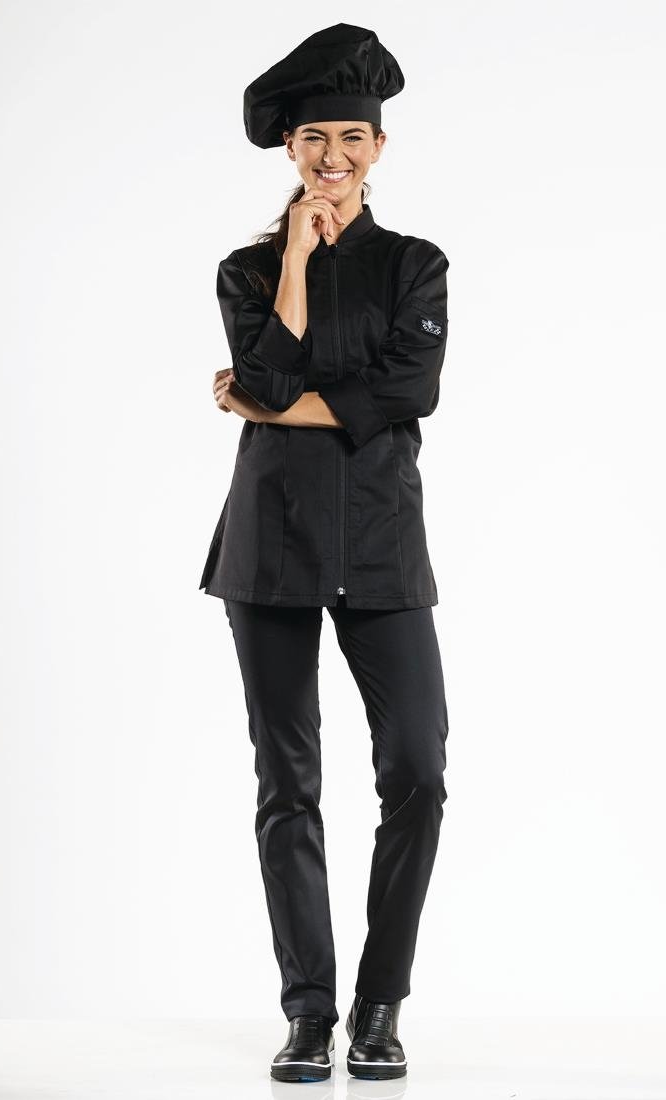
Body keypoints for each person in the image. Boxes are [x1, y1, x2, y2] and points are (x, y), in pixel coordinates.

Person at [199, 23, 451, 1083]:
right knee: (287, 783)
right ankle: (308, 1012)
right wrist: (298, 259)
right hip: (270, 547)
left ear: (378, 147)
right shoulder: (247, 268)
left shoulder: (415, 265)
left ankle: (378, 1006)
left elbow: (408, 391)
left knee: (417, 771)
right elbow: (268, 373)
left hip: (382, 547)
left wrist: (263, 402)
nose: (333, 155)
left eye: (352, 137)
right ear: (290, 148)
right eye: (314, 138)